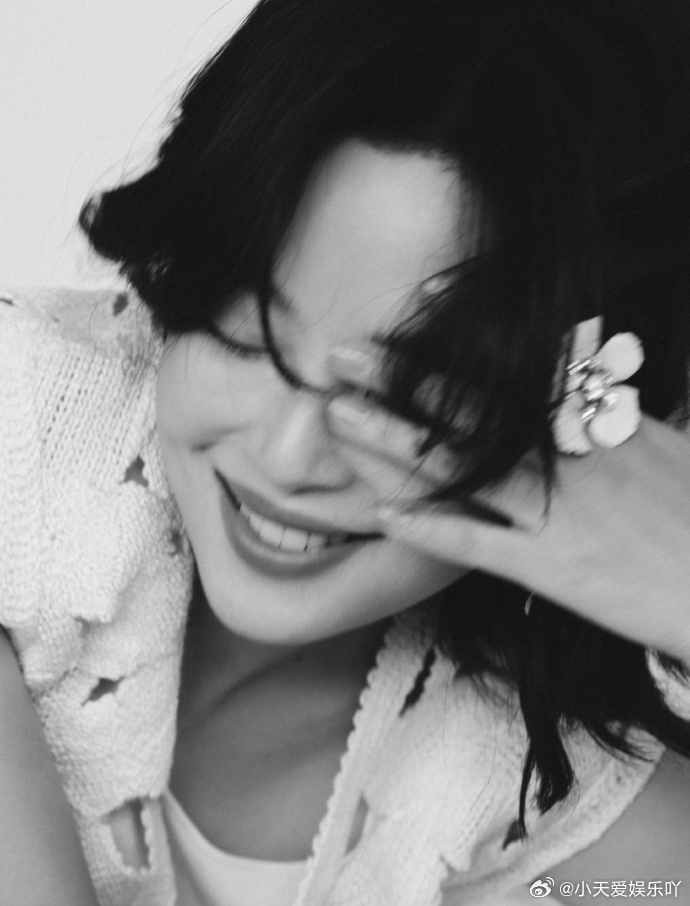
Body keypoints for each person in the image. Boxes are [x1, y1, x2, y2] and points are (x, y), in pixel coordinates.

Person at [2, 0, 690, 904]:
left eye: (399, 401)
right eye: (249, 334)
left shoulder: (577, 800)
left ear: (581, 417)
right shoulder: (23, 438)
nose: (289, 457)